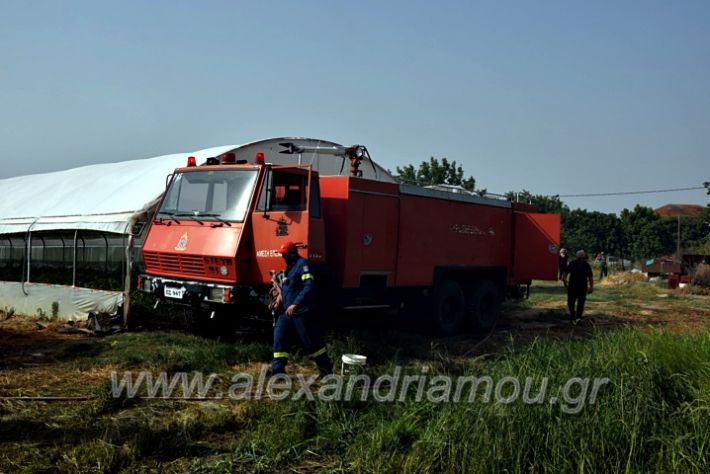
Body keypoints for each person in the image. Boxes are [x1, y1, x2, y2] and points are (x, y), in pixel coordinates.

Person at [271, 241, 333, 376]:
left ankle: (326, 370)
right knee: (279, 338)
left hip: (301, 312)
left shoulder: (303, 265)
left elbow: (308, 286)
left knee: (312, 343)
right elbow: (287, 288)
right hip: (287, 313)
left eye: (285, 255)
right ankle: (277, 372)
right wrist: (279, 299)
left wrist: (295, 304)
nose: (283, 257)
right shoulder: (290, 267)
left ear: (293, 253)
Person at [563, 250, 594, 325]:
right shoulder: (572, 263)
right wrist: (564, 280)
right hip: (572, 286)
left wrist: (591, 287)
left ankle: (578, 317)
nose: (581, 259)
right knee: (571, 302)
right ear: (577, 257)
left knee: (581, 303)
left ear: (584, 258)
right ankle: (572, 315)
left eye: (582, 258)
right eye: (580, 258)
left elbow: (590, 277)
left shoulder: (587, 266)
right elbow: (566, 272)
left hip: (582, 287)